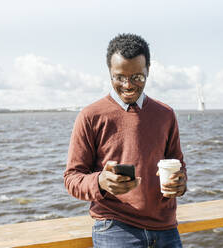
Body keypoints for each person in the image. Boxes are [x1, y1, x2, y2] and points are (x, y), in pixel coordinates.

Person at [64, 33, 187, 247]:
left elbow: (179, 167)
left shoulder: (166, 114)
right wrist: (100, 182)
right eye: (119, 77)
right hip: (115, 228)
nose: (128, 85)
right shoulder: (90, 116)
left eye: (137, 77)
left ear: (148, 70)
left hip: (166, 229)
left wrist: (180, 183)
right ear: (109, 72)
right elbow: (72, 178)